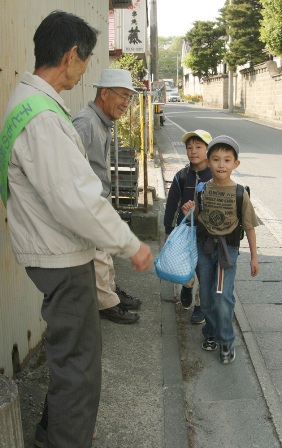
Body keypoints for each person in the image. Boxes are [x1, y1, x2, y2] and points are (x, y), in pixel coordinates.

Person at [0, 11, 152, 448]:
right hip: (61, 256)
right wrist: (129, 244)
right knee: (80, 366)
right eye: (85, 61)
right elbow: (78, 199)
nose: (84, 71)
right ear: (71, 56)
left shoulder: (29, 105)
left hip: (49, 250)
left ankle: (54, 431)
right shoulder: (44, 117)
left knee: (71, 356)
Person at [72, 69, 141, 324]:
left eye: (129, 97)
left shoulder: (100, 122)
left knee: (105, 250)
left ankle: (112, 294)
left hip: (98, 198)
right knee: (99, 253)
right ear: (104, 93)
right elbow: (67, 166)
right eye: (123, 95)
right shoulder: (86, 123)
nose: (126, 103)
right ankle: (107, 303)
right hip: (88, 202)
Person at [182, 135, 259, 364]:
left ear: (236, 164)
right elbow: (195, 218)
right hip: (204, 249)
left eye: (227, 160)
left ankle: (226, 340)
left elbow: (250, 227)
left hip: (228, 252)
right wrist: (190, 208)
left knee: (223, 297)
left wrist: (254, 257)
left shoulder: (240, 193)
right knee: (206, 298)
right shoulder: (202, 189)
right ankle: (211, 333)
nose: (221, 164)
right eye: (216, 159)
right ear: (208, 161)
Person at [164, 129, 213, 323]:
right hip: (184, 231)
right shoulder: (182, 176)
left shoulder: (215, 176)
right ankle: (187, 284)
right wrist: (168, 230)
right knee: (184, 265)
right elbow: (171, 205)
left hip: (207, 233)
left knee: (205, 269)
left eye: (198, 147)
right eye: (189, 147)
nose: (193, 151)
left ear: (208, 150)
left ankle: (201, 305)